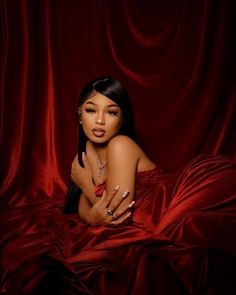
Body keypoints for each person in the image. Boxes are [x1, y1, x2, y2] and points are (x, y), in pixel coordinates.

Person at [1, 77, 236, 295]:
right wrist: (93, 211)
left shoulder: (120, 144)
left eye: (111, 112)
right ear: (79, 115)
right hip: (150, 218)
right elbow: (89, 212)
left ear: (121, 119)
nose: (100, 120)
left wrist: (85, 184)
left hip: (185, 195)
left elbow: (116, 216)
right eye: (91, 110)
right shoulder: (89, 152)